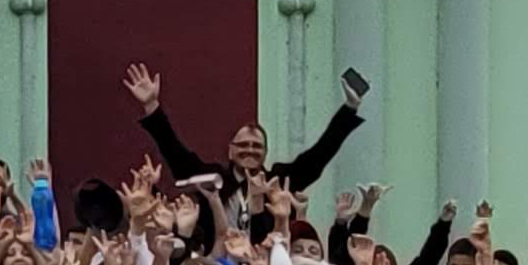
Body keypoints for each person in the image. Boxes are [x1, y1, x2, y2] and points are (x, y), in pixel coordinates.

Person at [126, 62, 366, 195]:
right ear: (230, 151)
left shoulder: (280, 181)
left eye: (256, 146)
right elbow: (174, 152)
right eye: (243, 145)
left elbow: (319, 155)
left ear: (265, 153)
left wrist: (349, 108)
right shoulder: (212, 179)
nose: (250, 150)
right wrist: (151, 105)